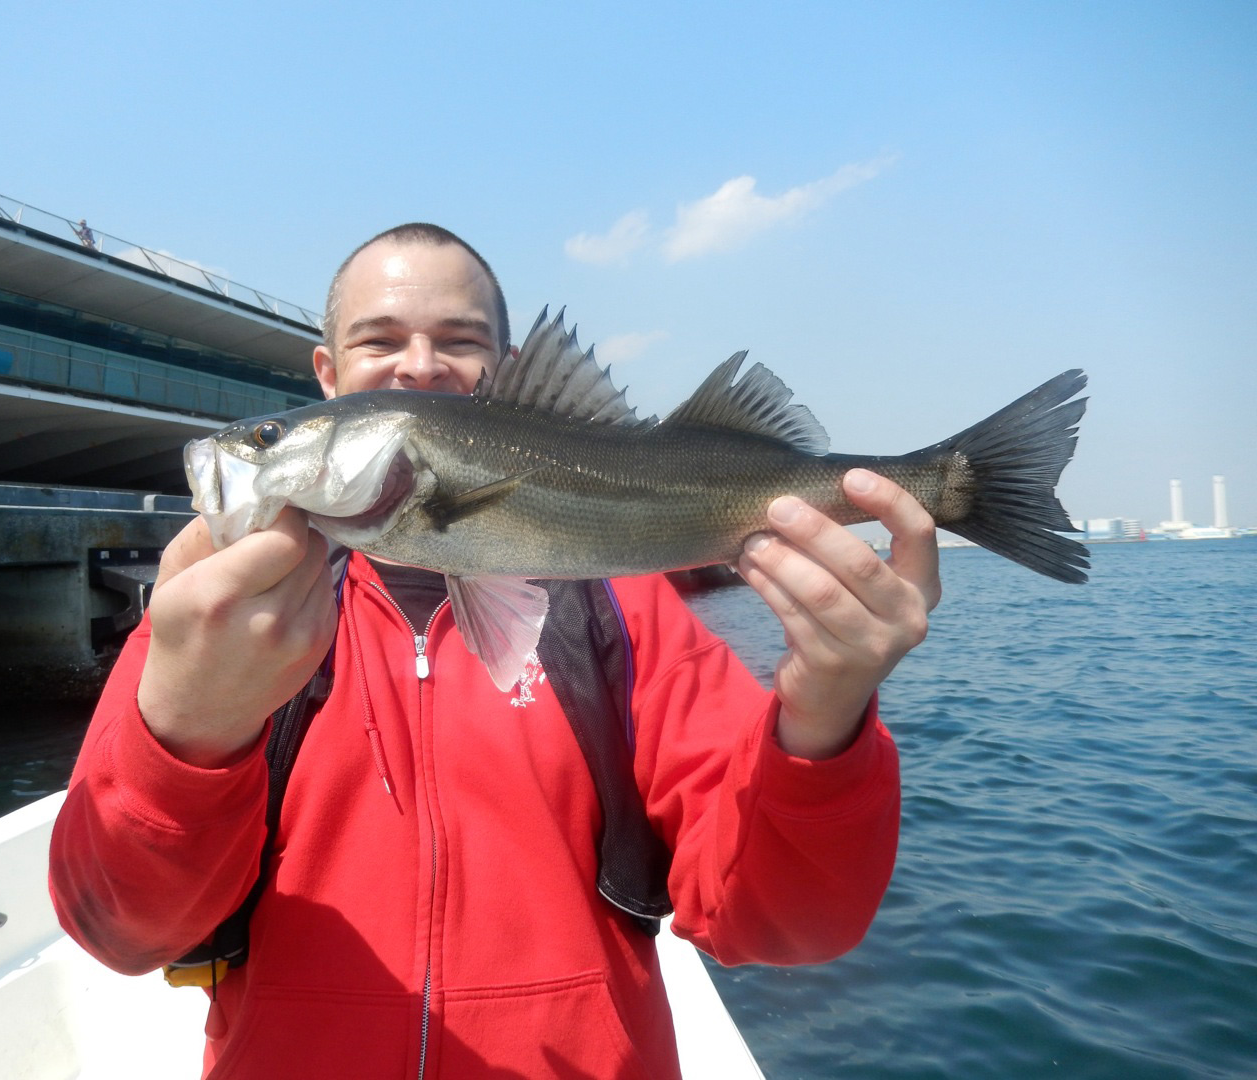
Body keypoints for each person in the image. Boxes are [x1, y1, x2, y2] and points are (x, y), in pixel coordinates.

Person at [49, 223, 940, 1078]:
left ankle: (961, 482)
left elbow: (788, 928)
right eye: (380, 339)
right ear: (330, 377)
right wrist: (190, 728)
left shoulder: (630, 617)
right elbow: (122, 934)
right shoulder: (215, 625)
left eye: (461, 339)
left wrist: (826, 713)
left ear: (505, 373)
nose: (423, 364)